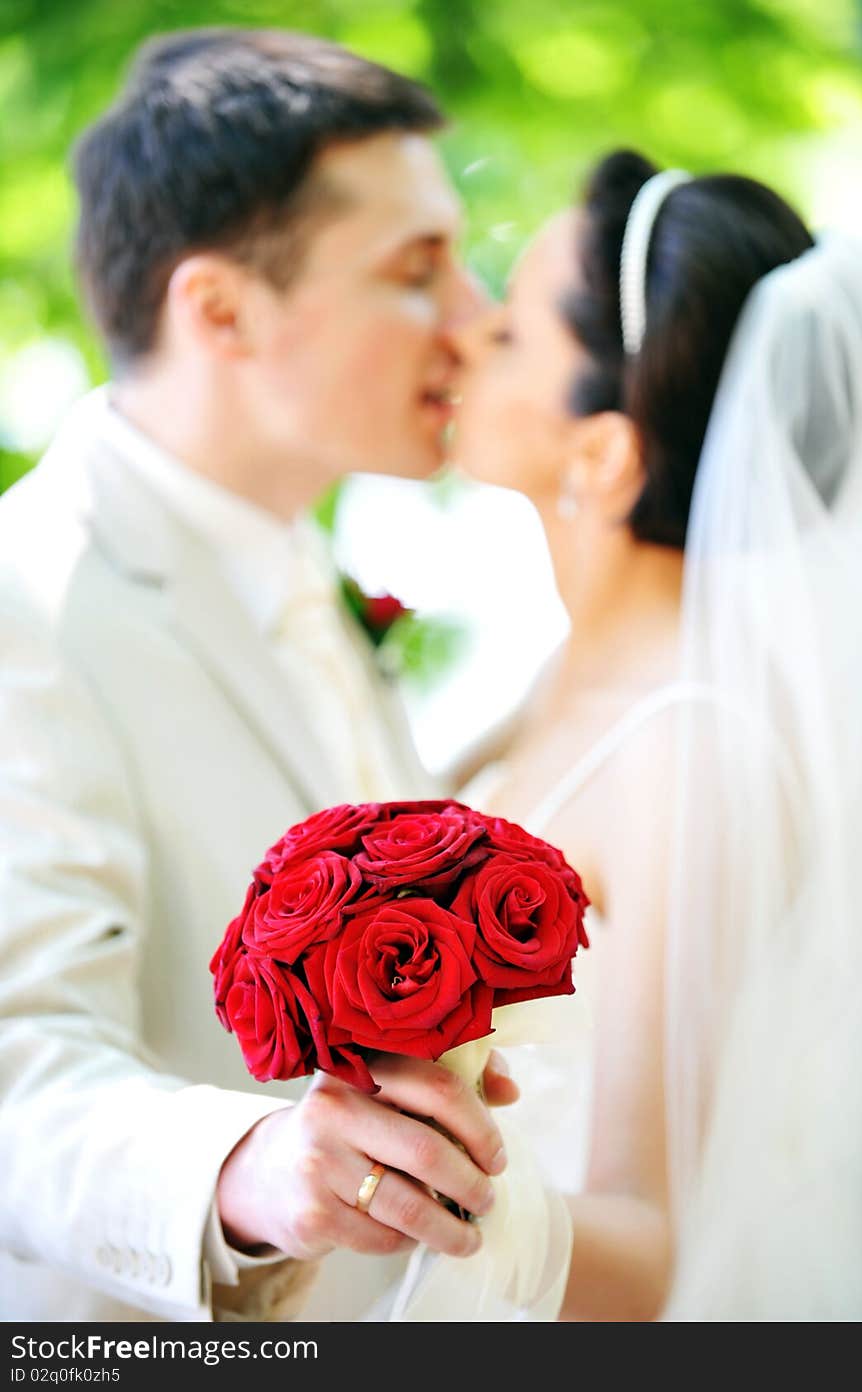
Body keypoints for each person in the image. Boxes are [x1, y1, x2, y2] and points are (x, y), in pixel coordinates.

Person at [0, 28, 518, 1323]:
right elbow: (20, 1071)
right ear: (221, 310)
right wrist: (250, 1168)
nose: (477, 317)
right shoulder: (27, 599)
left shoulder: (300, 565)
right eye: (419, 269)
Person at [452, 149, 862, 1318]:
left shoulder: (687, 753)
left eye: (512, 336)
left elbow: (651, 1254)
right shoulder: (553, 674)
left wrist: (393, 1191)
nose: (464, 332)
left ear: (601, 451)